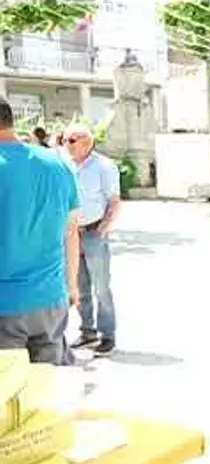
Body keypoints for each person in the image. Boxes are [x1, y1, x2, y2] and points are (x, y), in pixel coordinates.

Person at [0, 97, 81, 365]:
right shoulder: (58, 165)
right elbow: (72, 232)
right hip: (50, 300)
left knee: (9, 388)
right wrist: (72, 285)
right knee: (46, 385)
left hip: (5, 307)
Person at [66, 124, 121, 356]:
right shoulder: (67, 165)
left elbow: (114, 201)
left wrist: (103, 228)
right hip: (72, 234)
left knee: (101, 287)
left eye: (71, 140)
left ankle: (107, 335)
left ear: (87, 142)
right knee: (80, 287)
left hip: (93, 232)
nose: (67, 145)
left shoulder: (104, 166)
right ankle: (87, 332)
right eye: (64, 140)